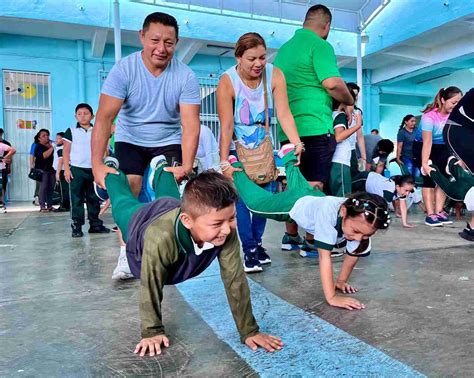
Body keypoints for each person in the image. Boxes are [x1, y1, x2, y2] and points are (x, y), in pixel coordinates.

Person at [100, 155, 283, 356]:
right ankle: (112, 170)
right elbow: (150, 282)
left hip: (172, 207)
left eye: (232, 218)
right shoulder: (159, 238)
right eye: (217, 224)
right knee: (122, 202)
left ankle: (161, 167)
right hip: (140, 221)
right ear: (188, 221)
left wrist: (249, 330)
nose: (227, 229)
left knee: (168, 196)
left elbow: (235, 279)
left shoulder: (222, 227)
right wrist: (152, 331)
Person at [92, 12, 201, 278]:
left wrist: (186, 165)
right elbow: (105, 117)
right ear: (142, 37)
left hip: (168, 140)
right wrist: (95, 165)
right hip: (131, 139)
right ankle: (126, 253)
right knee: (130, 187)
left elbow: (191, 123)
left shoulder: (185, 76)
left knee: (169, 193)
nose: (161, 49)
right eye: (155, 40)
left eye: (169, 42)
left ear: (176, 43)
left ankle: (167, 248)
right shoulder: (124, 70)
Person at [228, 145, 390, 309]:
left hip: (314, 197)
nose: (358, 238)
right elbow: (324, 257)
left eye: (366, 236)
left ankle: (288, 157)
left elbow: (353, 255)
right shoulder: (329, 216)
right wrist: (332, 297)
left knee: (301, 188)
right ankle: (236, 168)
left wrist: (341, 281)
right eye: (356, 232)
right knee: (256, 205)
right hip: (294, 204)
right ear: (343, 211)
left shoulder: (362, 221)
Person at [217, 32, 303, 272]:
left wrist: (297, 143)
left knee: (266, 197)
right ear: (238, 57)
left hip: (263, 147)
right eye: (251, 58)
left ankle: (258, 243)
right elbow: (225, 125)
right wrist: (224, 161)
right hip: (236, 148)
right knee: (244, 201)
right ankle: (249, 249)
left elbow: (284, 113)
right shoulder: (227, 81)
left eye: (262, 57)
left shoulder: (274, 74)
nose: (258, 64)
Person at [274, 4, 354, 252]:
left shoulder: (284, 50)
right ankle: (311, 242)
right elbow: (331, 83)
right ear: (327, 26)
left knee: (295, 184)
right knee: (314, 186)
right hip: (315, 126)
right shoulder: (320, 45)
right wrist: (348, 99)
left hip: (287, 130)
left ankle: (291, 237)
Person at [413, 86, 463, 227]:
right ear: (443, 100)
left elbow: (455, 139)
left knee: (443, 178)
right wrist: (425, 164)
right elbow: (427, 142)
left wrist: (459, 158)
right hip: (422, 146)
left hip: (442, 146)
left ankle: (439, 211)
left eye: (458, 103)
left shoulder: (455, 116)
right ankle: (430, 215)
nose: (456, 106)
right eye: (453, 103)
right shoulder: (429, 117)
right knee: (429, 178)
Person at [63, 104, 110, 237]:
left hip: (94, 169)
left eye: (86, 113)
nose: (83, 116)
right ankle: (76, 226)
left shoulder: (97, 130)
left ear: (92, 116)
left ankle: (95, 225)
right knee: (76, 198)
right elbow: (66, 151)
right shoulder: (71, 131)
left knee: (93, 198)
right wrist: (66, 169)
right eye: (80, 114)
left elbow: (104, 149)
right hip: (76, 170)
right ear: (75, 116)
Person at [428, 158, 474, 241]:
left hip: (472, 183)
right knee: (444, 184)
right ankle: (430, 168)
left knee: (463, 176)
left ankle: (452, 163)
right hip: (462, 193)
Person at [328, 88, 362, 198]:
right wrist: (357, 125)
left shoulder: (331, 114)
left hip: (335, 160)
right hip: (340, 161)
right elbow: (339, 137)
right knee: (342, 197)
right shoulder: (339, 115)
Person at [346, 82, 367, 176]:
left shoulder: (358, 112)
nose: (355, 97)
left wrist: (364, 157)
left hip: (352, 149)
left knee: (354, 174)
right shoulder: (338, 111)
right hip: (340, 149)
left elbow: (360, 136)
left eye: (357, 95)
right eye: (353, 94)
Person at [34, 129, 56, 212]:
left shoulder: (50, 145)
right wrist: (52, 148)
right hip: (42, 170)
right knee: (43, 188)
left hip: (52, 170)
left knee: (51, 188)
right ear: (39, 138)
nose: (46, 137)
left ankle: (50, 205)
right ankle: (42, 206)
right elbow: (44, 156)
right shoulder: (38, 146)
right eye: (43, 136)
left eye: (47, 135)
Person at [53, 132, 70, 212]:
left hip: (62, 170)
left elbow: (61, 161)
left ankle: (64, 205)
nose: (57, 140)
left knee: (63, 190)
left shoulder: (61, 149)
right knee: (64, 189)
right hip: (63, 170)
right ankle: (65, 205)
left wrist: (57, 173)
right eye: (56, 138)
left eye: (59, 138)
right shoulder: (60, 147)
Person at [0, 139, 15, 212]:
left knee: (1, 186)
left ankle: (1, 204)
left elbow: (13, 150)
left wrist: (4, 157)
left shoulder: (2, 145)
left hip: (1, 169)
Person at [29, 134, 40, 206]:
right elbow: (31, 156)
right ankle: (37, 198)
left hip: (49, 167)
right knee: (39, 183)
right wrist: (32, 167)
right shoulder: (35, 145)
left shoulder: (49, 143)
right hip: (38, 167)